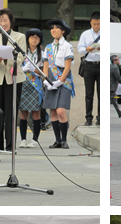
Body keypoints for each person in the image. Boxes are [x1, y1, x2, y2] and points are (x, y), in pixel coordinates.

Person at [0, 9, 26, 152]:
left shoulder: (19, 37)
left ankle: (10, 146)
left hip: (14, 78)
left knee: (12, 112)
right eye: (0, 20)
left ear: (11, 21)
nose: (3, 23)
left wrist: (8, 58)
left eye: (5, 20)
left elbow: (22, 57)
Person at [43, 19, 74, 149]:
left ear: (63, 31)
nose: (53, 30)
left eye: (56, 28)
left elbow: (67, 66)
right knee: (53, 111)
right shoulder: (48, 47)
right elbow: (45, 64)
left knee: (61, 110)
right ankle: (57, 140)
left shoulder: (67, 45)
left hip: (63, 78)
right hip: (51, 77)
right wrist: (46, 80)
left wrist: (60, 81)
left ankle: (64, 139)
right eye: (51, 28)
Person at [18, 29, 45, 149]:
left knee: (36, 112)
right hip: (23, 83)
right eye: (32, 37)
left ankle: (35, 139)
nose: (34, 39)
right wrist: (22, 69)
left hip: (36, 84)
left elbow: (45, 72)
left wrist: (35, 70)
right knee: (23, 112)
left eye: (37, 37)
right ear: (28, 39)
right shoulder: (22, 52)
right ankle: (23, 139)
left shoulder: (42, 53)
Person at [78, 11, 100, 126]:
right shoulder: (85, 34)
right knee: (89, 93)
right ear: (91, 23)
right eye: (94, 24)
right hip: (89, 64)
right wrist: (87, 49)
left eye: (99, 24)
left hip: (101, 64)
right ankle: (88, 118)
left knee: (101, 93)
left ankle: (100, 118)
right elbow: (79, 49)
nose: (96, 26)